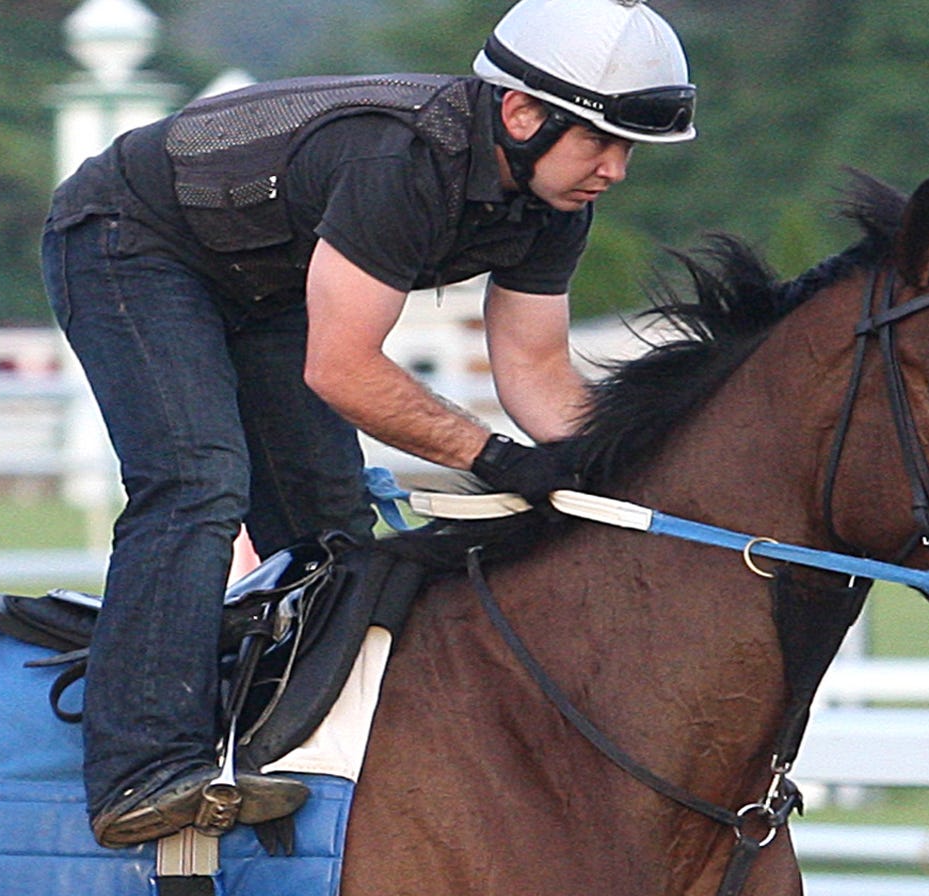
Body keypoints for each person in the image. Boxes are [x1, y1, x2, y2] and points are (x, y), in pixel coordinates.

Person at [44, 0, 695, 846]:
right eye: (599, 142)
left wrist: (615, 472)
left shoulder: (554, 204)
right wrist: (498, 459)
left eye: (628, 149)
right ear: (523, 113)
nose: (614, 170)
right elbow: (342, 368)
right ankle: (140, 769)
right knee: (199, 484)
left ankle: (283, 747)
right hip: (130, 239)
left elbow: (536, 372)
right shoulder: (403, 161)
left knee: (331, 535)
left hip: (265, 285)